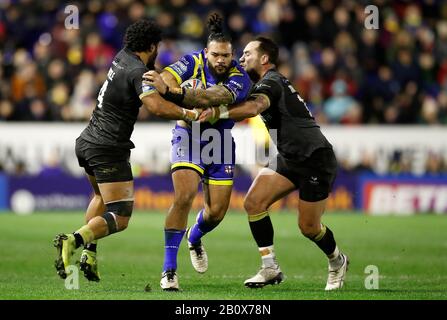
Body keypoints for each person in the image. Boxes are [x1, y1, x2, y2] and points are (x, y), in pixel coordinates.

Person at [53, 19, 200, 282]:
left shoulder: (121, 58)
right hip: (108, 147)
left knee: (100, 197)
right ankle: (73, 241)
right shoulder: (136, 71)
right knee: (120, 216)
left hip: (87, 141)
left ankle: (90, 252)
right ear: (152, 46)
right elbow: (155, 106)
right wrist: (188, 113)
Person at [199, 37, 349, 290]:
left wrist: (216, 111)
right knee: (253, 202)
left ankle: (337, 260)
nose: (242, 58)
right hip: (289, 157)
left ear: (264, 59)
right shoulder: (265, 83)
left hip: (314, 158)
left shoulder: (271, 81)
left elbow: (254, 107)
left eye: (248, 53)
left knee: (309, 227)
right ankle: (270, 268)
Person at [142, 13, 251, 291]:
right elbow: (167, 76)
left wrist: (174, 93)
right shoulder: (192, 61)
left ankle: (194, 236)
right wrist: (166, 82)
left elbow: (213, 97)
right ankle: (169, 270)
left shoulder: (240, 77)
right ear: (207, 52)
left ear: (232, 55)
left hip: (220, 140)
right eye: (216, 55)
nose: (221, 60)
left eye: (226, 55)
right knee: (185, 197)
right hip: (188, 135)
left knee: (216, 212)